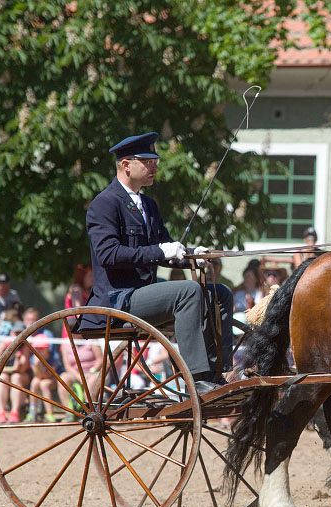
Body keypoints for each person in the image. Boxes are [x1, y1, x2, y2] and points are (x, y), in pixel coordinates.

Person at [81, 131, 224, 395]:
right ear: (126, 165)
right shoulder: (105, 204)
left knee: (220, 293)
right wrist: (160, 251)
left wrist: (194, 254)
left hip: (146, 295)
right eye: (148, 162)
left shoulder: (148, 205)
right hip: (118, 299)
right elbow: (108, 255)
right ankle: (197, 378)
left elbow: (167, 249)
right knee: (188, 290)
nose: (155, 167)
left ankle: (218, 372)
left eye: (155, 161)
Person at [0, 311, 31, 423]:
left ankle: (14, 412)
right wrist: (10, 369)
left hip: (23, 375)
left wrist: (12, 367)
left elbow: (22, 368)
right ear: (11, 332)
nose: (17, 335)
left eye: (20, 332)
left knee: (16, 377)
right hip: (7, 373)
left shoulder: (25, 346)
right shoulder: (5, 344)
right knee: (3, 377)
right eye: (15, 332)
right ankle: (1, 412)